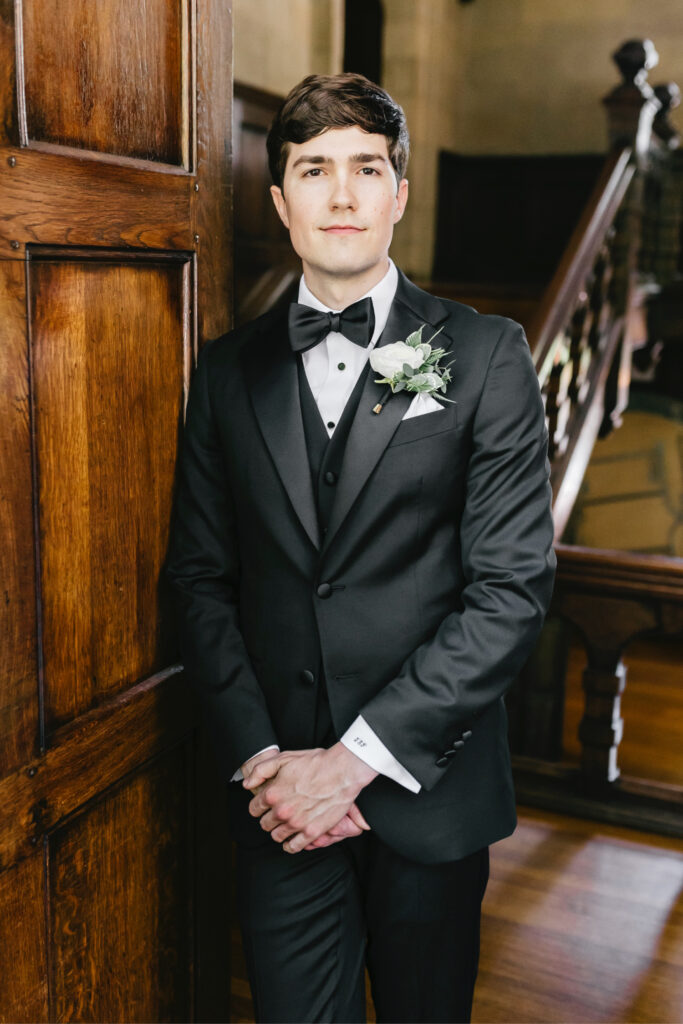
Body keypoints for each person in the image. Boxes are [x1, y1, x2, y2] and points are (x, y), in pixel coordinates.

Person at [166, 72, 556, 1024]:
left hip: (430, 791)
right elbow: (200, 578)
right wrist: (267, 760)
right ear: (279, 200)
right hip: (279, 805)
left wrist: (354, 763)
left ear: (399, 194)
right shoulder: (223, 371)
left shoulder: (488, 353)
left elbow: (509, 590)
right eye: (313, 170)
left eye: (365, 169)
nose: (340, 194)